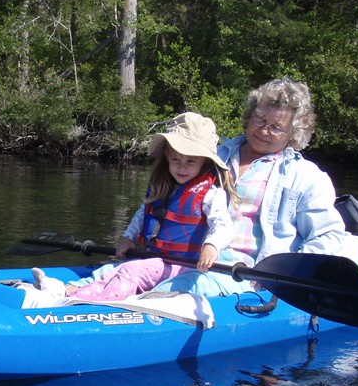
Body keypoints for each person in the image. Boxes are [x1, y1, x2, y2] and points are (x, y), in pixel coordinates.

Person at [149, 77, 358, 297]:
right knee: (115, 271)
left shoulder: (306, 176)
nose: (264, 131)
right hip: (185, 261)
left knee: (178, 289)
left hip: (246, 278)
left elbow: (328, 236)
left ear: (293, 133)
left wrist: (288, 273)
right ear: (249, 116)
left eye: (276, 128)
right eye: (260, 120)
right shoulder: (212, 156)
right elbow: (163, 194)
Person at [32, 112, 237, 302]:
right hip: (156, 259)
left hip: (183, 266)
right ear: (166, 156)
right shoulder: (163, 187)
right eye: (176, 159)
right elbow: (142, 215)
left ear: (205, 162)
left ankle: (86, 302)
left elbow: (223, 225)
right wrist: (128, 238)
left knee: (131, 272)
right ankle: (65, 289)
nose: (181, 166)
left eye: (191, 161)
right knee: (108, 270)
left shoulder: (211, 194)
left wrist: (212, 246)